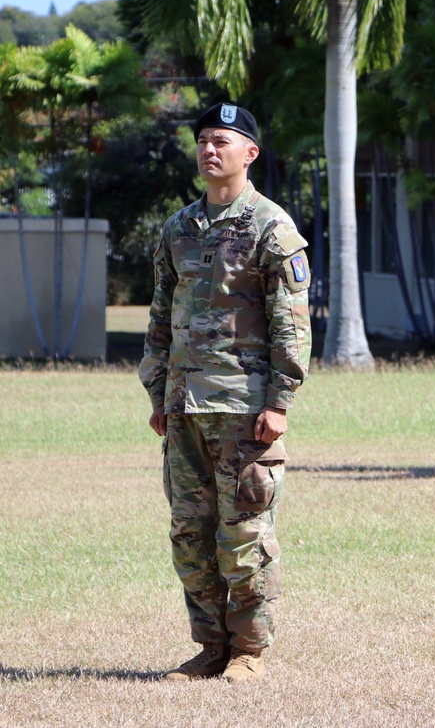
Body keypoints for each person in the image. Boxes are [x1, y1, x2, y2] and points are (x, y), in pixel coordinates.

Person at [139, 102, 312, 683]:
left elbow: (291, 321)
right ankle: (209, 647)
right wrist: (160, 393)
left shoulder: (271, 226)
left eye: (223, 141)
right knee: (190, 534)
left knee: (244, 534)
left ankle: (248, 652)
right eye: (204, 140)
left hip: (244, 409)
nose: (210, 150)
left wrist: (280, 401)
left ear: (250, 153)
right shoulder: (178, 227)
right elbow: (161, 316)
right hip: (185, 407)